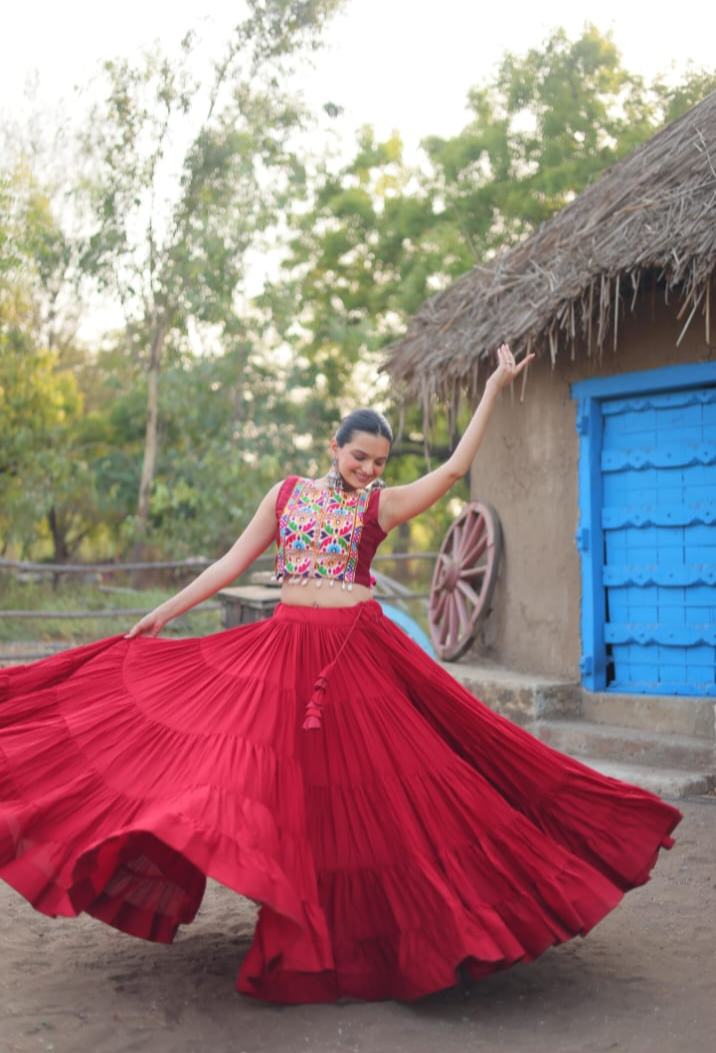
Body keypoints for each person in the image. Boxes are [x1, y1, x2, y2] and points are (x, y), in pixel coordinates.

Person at [0, 345, 681, 1004]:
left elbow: (449, 474)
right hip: (285, 653)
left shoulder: (377, 507)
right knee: (257, 779)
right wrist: (163, 610)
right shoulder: (287, 494)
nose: (368, 468)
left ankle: (376, 934)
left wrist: (494, 391)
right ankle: (297, 919)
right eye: (359, 456)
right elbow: (229, 564)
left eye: (379, 462)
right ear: (334, 446)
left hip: (355, 659)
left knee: (374, 796)